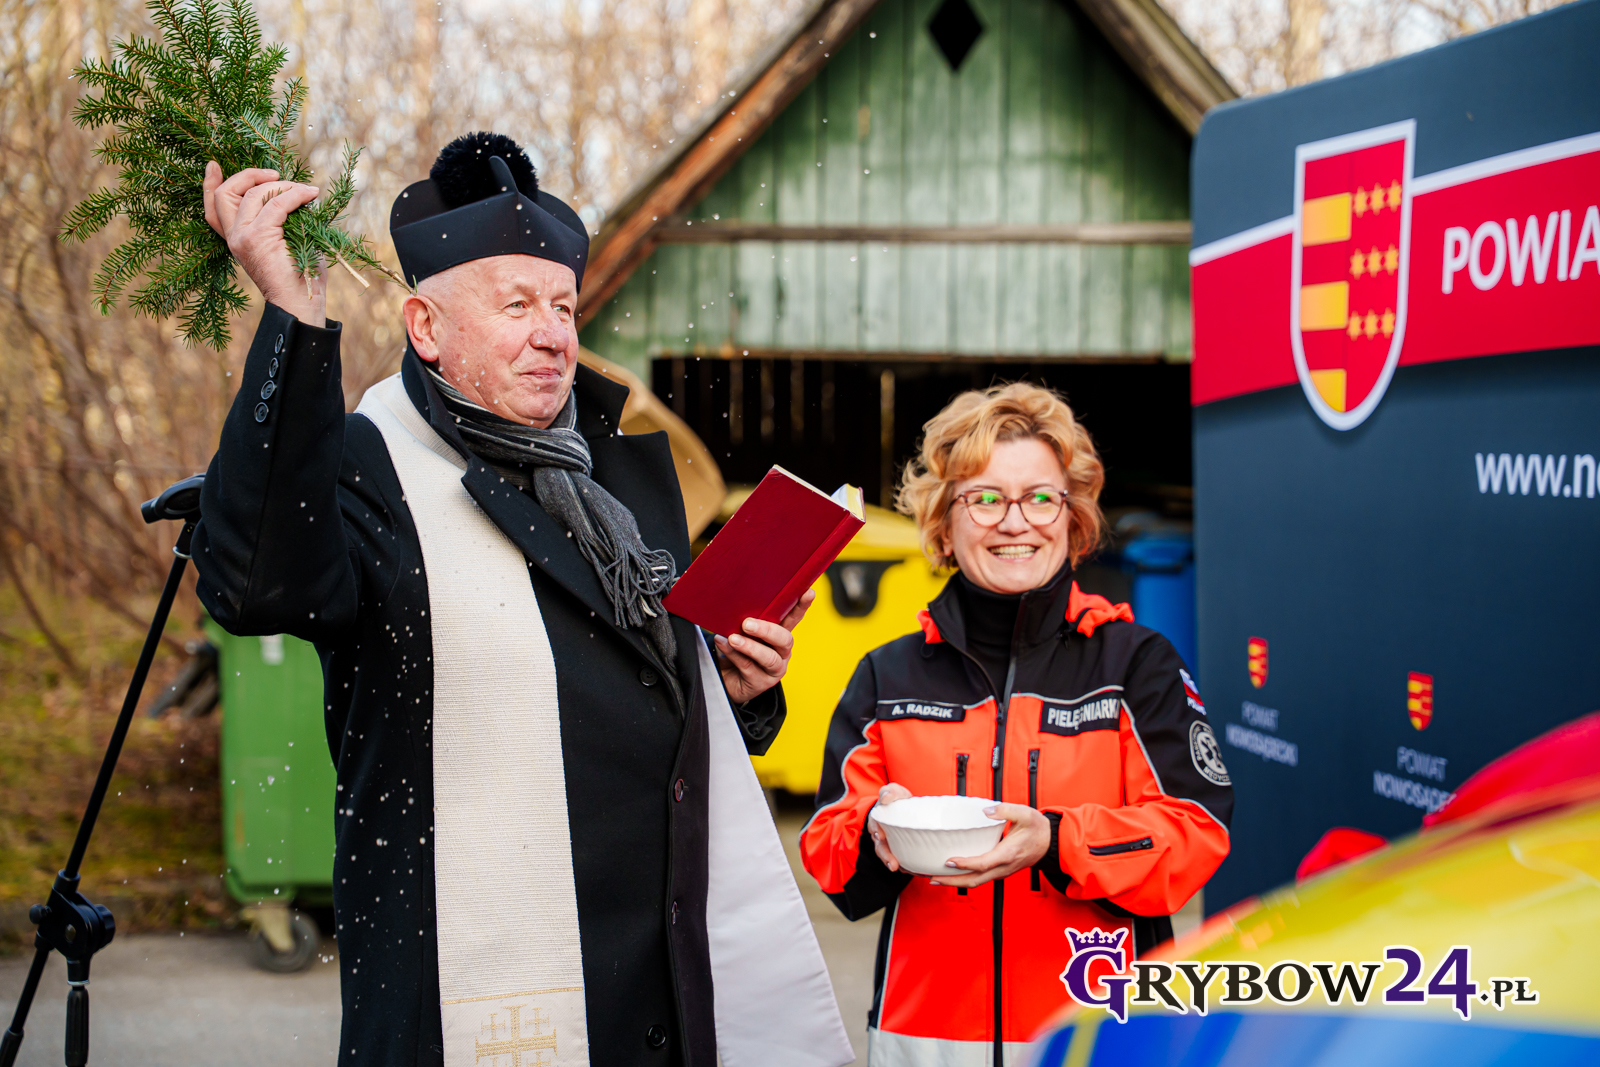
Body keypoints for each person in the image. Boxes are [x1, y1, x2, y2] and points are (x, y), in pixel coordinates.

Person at [194, 132, 849, 1067]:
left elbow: (637, 709)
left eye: (564, 306)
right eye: (516, 306)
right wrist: (293, 320)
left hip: (650, 996)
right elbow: (253, 582)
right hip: (462, 999)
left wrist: (733, 693)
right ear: (426, 327)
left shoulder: (618, 480)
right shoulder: (369, 465)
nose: (554, 334)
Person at [799, 382, 1233, 1065]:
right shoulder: (888, 675)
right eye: (984, 499)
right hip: (927, 1045)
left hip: (1099, 1037)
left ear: (1072, 517)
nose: (1014, 522)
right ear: (945, 523)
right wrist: (875, 833)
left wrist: (1057, 841)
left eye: (1039, 498)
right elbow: (828, 845)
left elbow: (1195, 830)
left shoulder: (1136, 664)